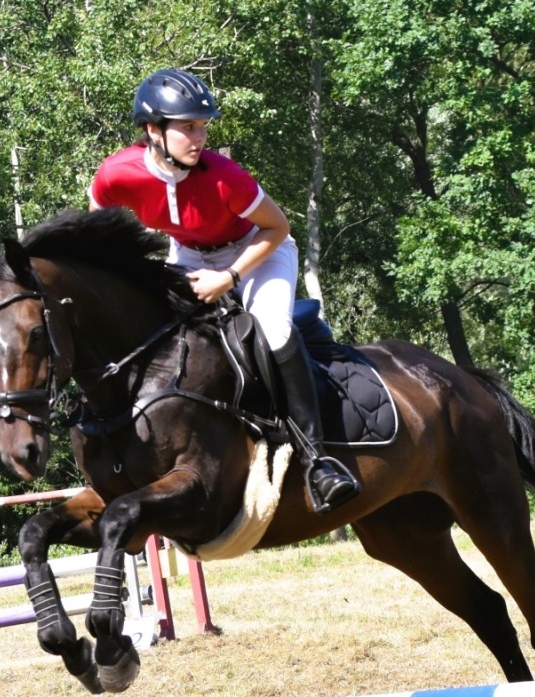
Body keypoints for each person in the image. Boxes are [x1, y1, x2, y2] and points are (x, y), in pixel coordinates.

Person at [88, 67, 361, 513]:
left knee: (271, 332)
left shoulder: (223, 175)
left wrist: (229, 278)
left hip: (258, 249)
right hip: (190, 252)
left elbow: (277, 228)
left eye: (203, 126)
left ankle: (318, 459)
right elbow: (99, 224)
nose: (200, 137)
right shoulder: (118, 173)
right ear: (153, 132)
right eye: (189, 127)